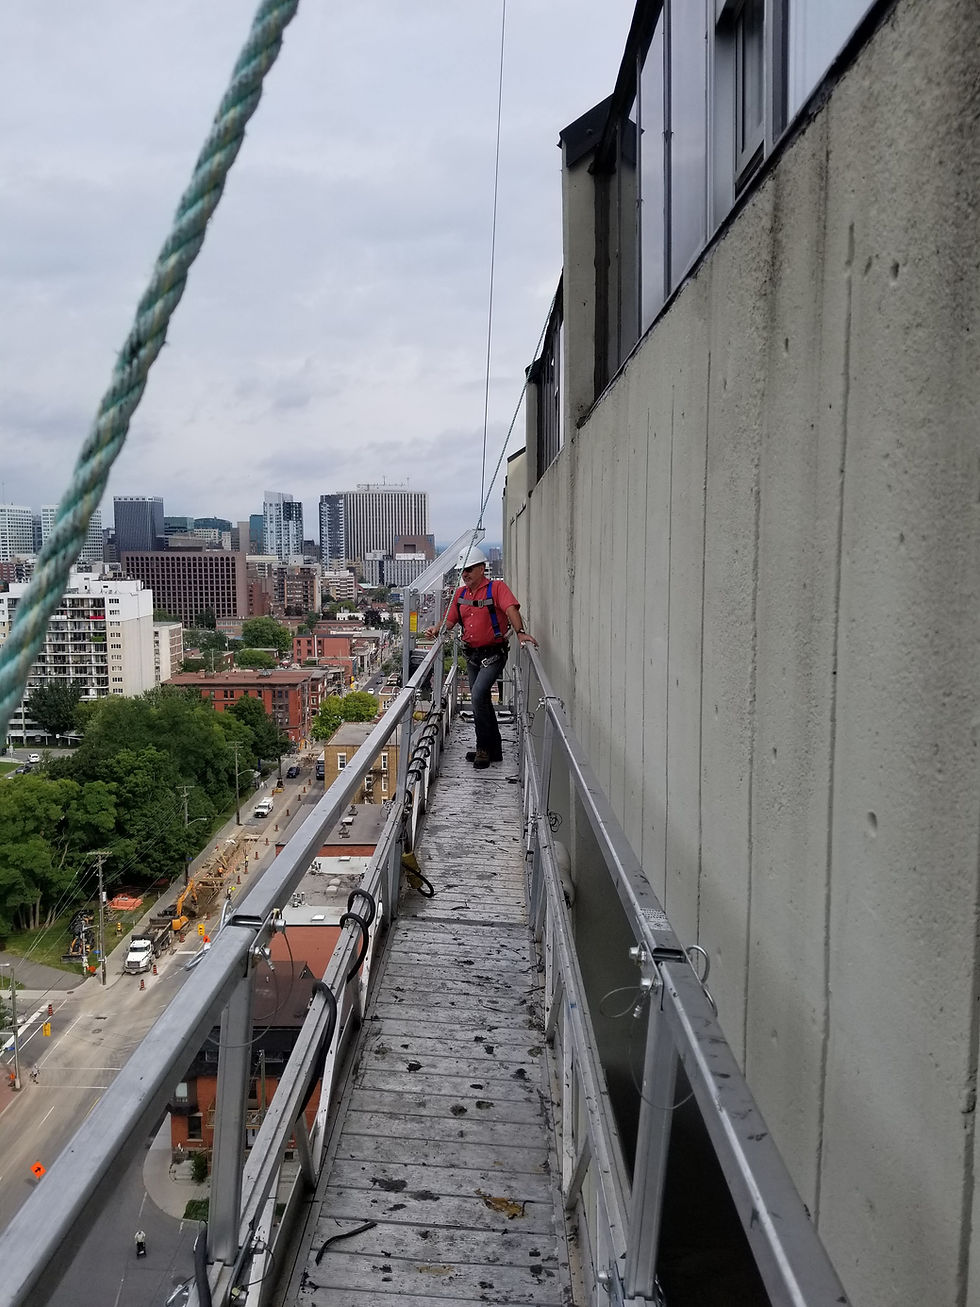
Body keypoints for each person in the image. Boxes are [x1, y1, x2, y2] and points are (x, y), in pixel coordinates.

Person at [429, 546, 537, 769]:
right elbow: (450, 621)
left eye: (469, 569)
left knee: (477, 697)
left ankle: (483, 748)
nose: (465, 574)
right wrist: (437, 630)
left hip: (494, 654)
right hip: (473, 656)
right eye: (462, 571)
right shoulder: (460, 595)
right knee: (483, 700)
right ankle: (494, 749)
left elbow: (510, 609)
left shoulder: (496, 588)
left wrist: (520, 632)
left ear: (481, 568)